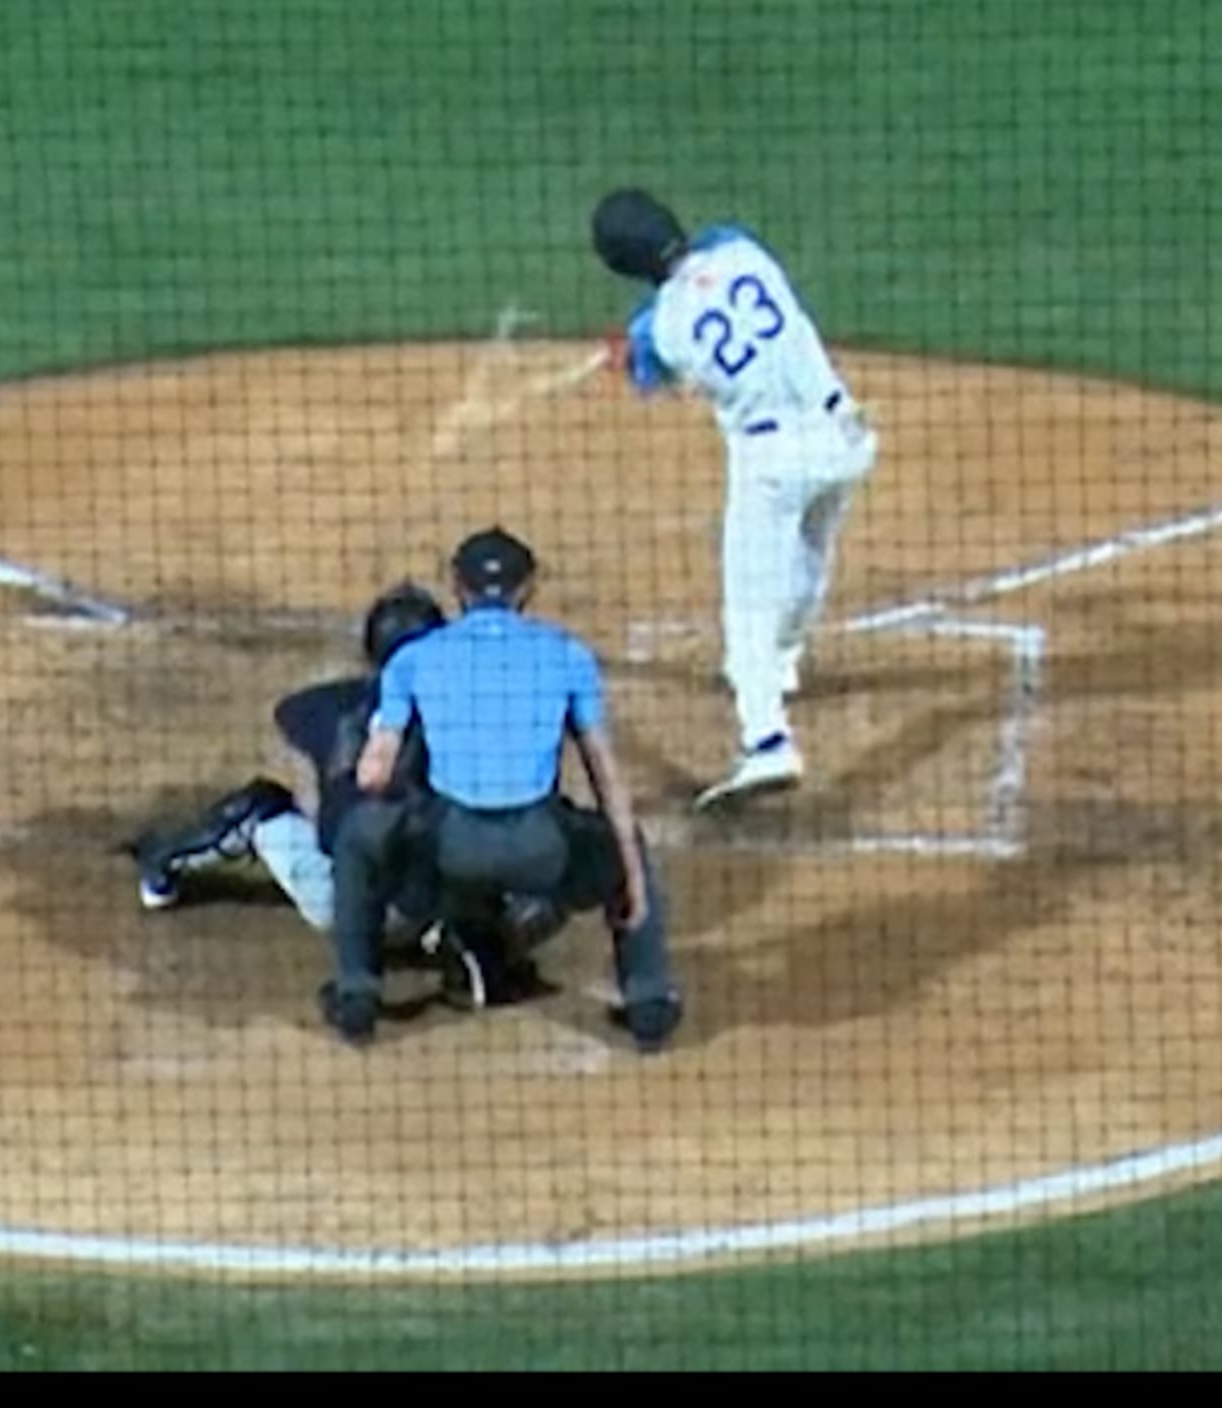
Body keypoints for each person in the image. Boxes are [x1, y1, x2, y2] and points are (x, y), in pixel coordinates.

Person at [318, 527, 682, 1053]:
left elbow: (372, 775)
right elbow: (609, 781)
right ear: (527, 588)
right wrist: (633, 880)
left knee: (359, 834)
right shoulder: (568, 655)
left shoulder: (413, 660)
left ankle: (358, 995)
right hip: (542, 851)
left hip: (449, 849)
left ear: (457, 588)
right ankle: (649, 1001)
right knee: (621, 842)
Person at [124, 584, 559, 1004]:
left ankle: (162, 867)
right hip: (429, 899)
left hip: (343, 905)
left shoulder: (324, 704)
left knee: (260, 804)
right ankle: (470, 941)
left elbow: (302, 769)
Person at [593, 187, 879, 810]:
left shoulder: (662, 327)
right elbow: (704, 275)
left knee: (745, 608)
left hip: (773, 463)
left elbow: (650, 368)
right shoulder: (739, 247)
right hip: (844, 436)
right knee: (811, 551)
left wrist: (622, 356)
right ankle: (785, 660)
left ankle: (767, 740)